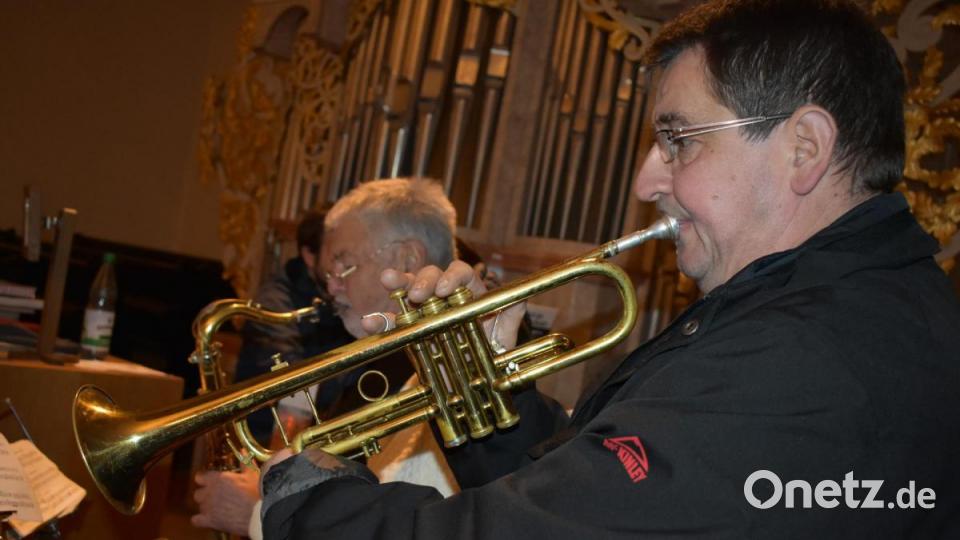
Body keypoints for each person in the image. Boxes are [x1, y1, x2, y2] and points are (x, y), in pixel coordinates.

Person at [256, 1, 960, 538]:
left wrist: (303, 500)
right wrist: (480, 392)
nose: (646, 179)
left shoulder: (810, 354)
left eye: (677, 139)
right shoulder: (804, 305)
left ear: (804, 147)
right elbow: (594, 497)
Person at [193, 178, 464, 537]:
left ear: (407, 258)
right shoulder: (387, 356)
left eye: (343, 266)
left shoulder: (453, 363)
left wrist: (260, 512)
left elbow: (414, 519)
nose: (331, 286)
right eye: (328, 273)